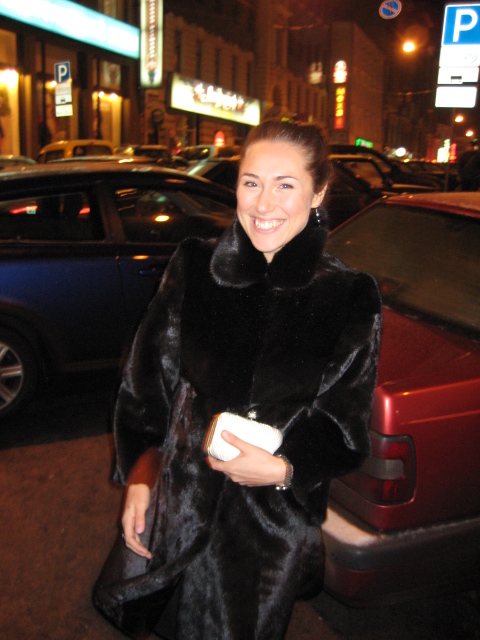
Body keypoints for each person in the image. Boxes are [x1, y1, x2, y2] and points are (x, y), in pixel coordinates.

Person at [93, 119, 382, 640]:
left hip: (268, 533)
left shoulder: (347, 296)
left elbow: (345, 427)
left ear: (318, 191)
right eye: (251, 182)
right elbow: (146, 383)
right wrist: (141, 473)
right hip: (178, 506)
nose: (263, 203)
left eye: (285, 185)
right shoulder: (195, 266)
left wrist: (284, 468)